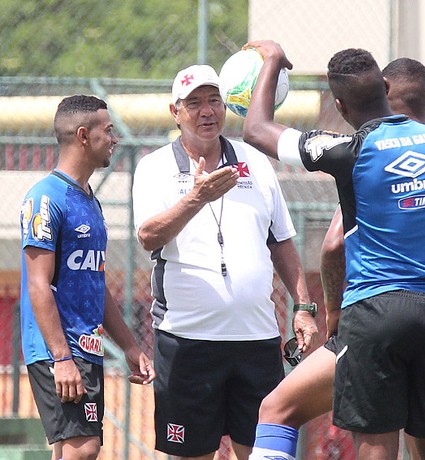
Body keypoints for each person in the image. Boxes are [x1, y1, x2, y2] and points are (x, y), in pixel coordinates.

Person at [246, 57, 425, 460]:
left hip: (374, 313)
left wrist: (270, 59)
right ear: (386, 92)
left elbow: (256, 129)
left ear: (340, 107)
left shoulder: (350, 150)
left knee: (369, 444)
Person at [131, 64, 318, 460]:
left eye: (214, 100)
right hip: (187, 341)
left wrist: (302, 306)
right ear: (174, 111)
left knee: (262, 453)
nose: (206, 111)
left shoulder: (254, 162)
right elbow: (149, 236)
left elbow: (281, 241)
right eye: (194, 103)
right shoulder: (154, 167)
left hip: (256, 340)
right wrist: (196, 198)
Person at [19, 95, 155, 460]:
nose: (115, 139)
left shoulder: (90, 201)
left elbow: (96, 284)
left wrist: (129, 346)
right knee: (83, 449)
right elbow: (38, 284)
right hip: (58, 351)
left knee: (71, 450)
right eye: (108, 131)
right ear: (83, 135)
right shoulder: (45, 198)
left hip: (85, 347)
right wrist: (61, 358)